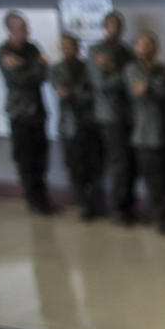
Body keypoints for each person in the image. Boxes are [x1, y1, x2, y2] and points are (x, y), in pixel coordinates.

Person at [125, 31, 165, 233]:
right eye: (142, 44)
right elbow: (138, 91)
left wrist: (150, 87)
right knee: (154, 181)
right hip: (144, 136)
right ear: (136, 48)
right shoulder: (132, 69)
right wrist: (155, 86)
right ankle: (161, 218)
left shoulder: (164, 69)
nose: (146, 48)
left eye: (150, 44)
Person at [0, 10, 52, 214]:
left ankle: (43, 198)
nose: (26, 31)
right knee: (25, 159)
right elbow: (21, 80)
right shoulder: (3, 51)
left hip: (38, 111)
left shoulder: (32, 48)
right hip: (19, 113)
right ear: (11, 30)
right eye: (21, 28)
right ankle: (33, 200)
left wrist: (29, 65)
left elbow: (43, 76)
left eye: (26, 27)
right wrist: (36, 64)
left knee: (41, 157)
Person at [88, 11, 136, 223]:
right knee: (118, 162)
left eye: (118, 25)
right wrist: (122, 74)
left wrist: (115, 70)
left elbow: (134, 77)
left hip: (128, 114)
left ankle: (128, 205)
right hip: (109, 115)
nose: (115, 29)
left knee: (129, 163)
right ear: (104, 27)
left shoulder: (126, 51)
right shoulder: (96, 51)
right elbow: (102, 84)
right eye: (111, 25)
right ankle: (119, 208)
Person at [50, 33, 103, 220]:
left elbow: (92, 95)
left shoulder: (87, 68)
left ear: (77, 47)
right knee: (75, 168)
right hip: (69, 127)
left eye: (71, 46)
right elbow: (62, 93)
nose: (67, 49)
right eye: (64, 46)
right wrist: (78, 92)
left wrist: (73, 93)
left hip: (89, 125)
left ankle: (95, 203)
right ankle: (83, 204)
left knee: (93, 167)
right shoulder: (56, 69)